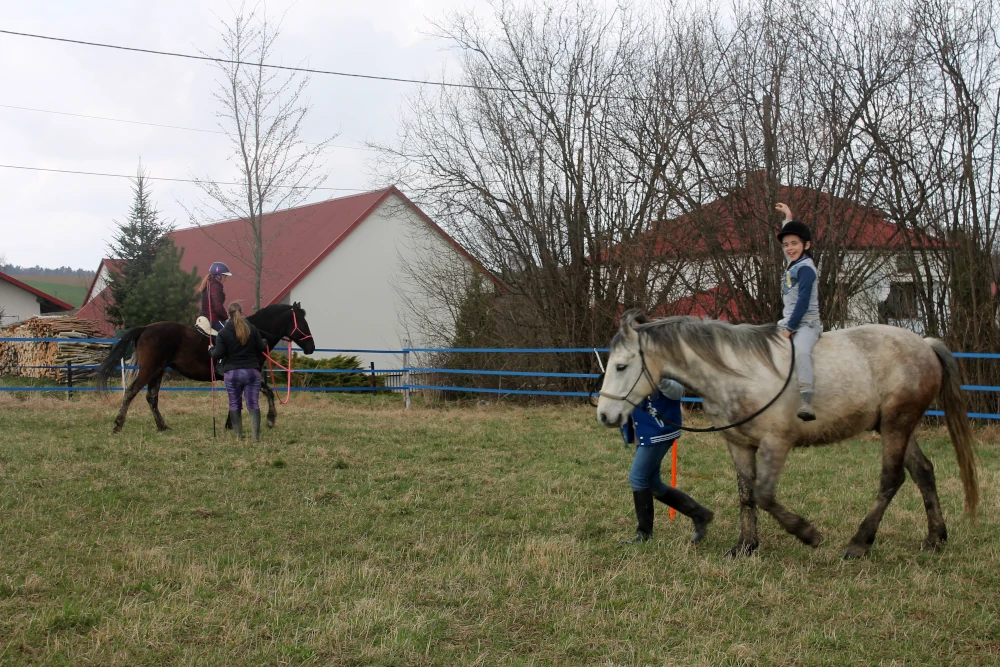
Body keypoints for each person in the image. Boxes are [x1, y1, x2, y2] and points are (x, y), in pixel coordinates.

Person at [620, 378, 714, 545]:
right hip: (643, 429)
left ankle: (644, 533)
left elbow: (676, 392)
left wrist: (658, 377)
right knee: (653, 483)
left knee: (637, 477)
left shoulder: (663, 359)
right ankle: (700, 514)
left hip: (658, 430)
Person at [775, 202, 822, 421]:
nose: (789, 248)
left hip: (806, 323)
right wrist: (788, 217)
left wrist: (790, 328)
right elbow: (789, 253)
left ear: (807, 244)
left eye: (794, 243)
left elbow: (803, 302)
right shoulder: (794, 263)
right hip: (788, 321)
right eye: (786, 245)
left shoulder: (806, 268)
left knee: (801, 351)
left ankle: (806, 400)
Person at [209, 302, 267, 441]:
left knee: (234, 404)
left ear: (228, 314)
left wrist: (210, 349)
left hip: (232, 373)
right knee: (253, 404)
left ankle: (239, 436)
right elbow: (261, 347)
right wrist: (264, 342)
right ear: (241, 312)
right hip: (252, 372)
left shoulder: (223, 332)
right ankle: (255, 437)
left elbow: (218, 354)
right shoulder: (252, 329)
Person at [198, 261, 232, 334]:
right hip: (214, 320)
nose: (226, 279)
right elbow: (218, 307)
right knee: (232, 334)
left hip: (207, 317)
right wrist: (227, 316)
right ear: (218, 276)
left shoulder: (210, 284)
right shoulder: (215, 287)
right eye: (225, 276)